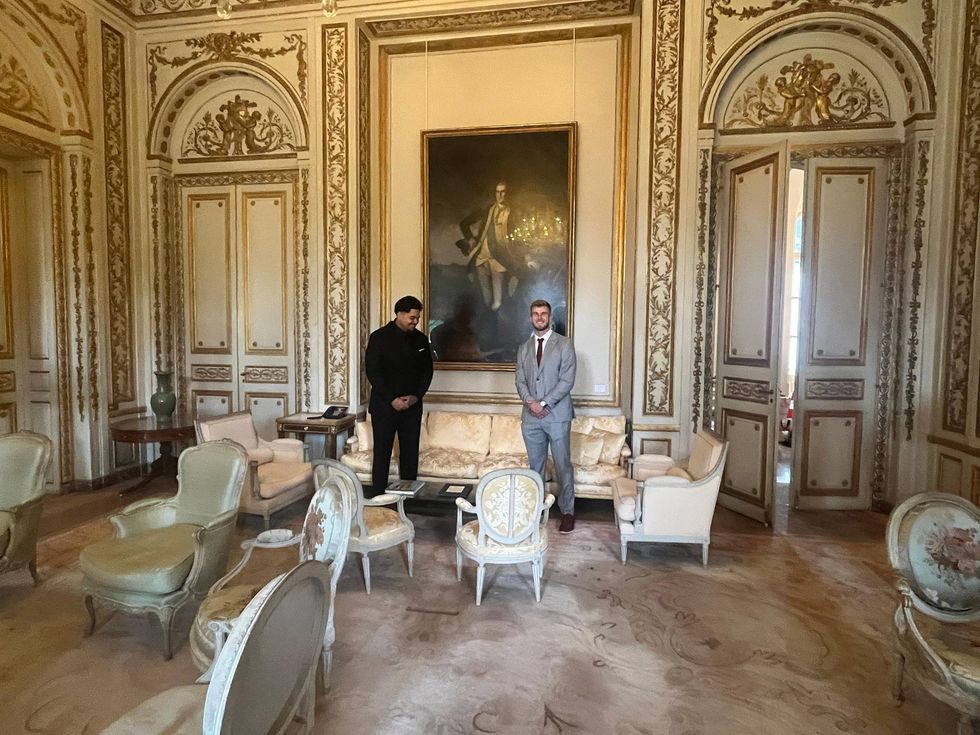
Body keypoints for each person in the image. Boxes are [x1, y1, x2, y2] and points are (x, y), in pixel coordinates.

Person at [514, 299, 577, 533]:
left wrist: (543, 403)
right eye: (535, 314)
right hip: (531, 418)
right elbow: (520, 380)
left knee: (563, 466)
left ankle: (567, 512)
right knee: (535, 467)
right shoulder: (524, 347)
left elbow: (567, 381)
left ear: (550, 317)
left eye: (543, 314)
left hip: (557, 415)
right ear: (531, 317)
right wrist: (531, 403)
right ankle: (536, 511)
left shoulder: (565, 344)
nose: (539, 317)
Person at [365, 295, 433, 495]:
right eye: (412, 317)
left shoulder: (421, 339)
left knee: (410, 455)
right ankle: (378, 496)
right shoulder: (379, 337)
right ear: (400, 314)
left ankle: (407, 498)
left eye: (417, 318)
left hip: (412, 407)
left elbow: (427, 372)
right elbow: (373, 372)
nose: (415, 321)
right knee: (382, 453)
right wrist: (391, 399)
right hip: (385, 407)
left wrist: (416, 397)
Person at [458, 181, 521, 312]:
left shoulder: (513, 213)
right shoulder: (488, 210)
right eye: (498, 192)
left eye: (503, 192)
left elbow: (517, 239)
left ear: (508, 194)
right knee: (485, 301)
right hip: (482, 258)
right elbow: (464, 223)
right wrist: (471, 239)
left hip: (500, 260)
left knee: (498, 303)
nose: (500, 195)